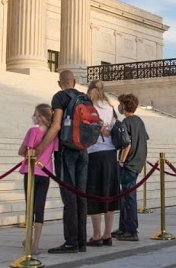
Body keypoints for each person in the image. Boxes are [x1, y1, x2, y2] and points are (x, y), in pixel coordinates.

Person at [35, 70, 89, 254]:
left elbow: (57, 124)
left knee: (69, 196)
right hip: (83, 149)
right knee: (80, 194)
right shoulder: (84, 96)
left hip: (66, 151)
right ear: (74, 81)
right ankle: (82, 241)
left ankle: (71, 241)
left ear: (60, 83)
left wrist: (40, 148)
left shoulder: (60, 96)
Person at [85, 79, 120, 247]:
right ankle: (108, 234)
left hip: (95, 152)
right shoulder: (110, 107)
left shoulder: (90, 107)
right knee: (110, 194)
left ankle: (97, 234)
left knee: (95, 194)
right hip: (111, 153)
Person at [18, 103, 54, 253]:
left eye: (37, 115)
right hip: (45, 172)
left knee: (30, 207)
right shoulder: (52, 135)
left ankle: (29, 238)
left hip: (31, 171)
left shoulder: (33, 131)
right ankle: (36, 243)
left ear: (42, 117)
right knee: (40, 208)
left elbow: (22, 151)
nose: (35, 117)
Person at [112, 93, 147, 241]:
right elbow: (144, 139)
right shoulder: (139, 121)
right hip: (137, 162)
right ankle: (124, 228)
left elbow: (127, 143)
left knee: (128, 197)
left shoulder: (125, 123)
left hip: (129, 164)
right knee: (125, 196)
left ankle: (131, 230)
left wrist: (122, 160)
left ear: (124, 106)